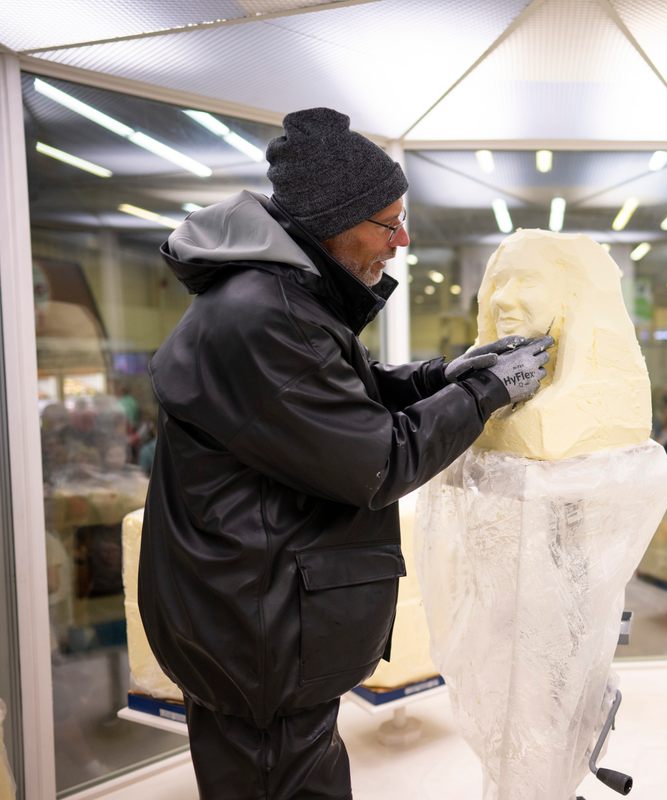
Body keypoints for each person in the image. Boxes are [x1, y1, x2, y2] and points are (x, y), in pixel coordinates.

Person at [139, 107, 553, 799]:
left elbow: (331, 400)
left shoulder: (273, 299)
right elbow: (377, 460)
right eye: (389, 222)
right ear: (335, 222)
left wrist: (443, 375)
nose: (403, 239)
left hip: (247, 612)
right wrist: (483, 394)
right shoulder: (266, 317)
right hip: (258, 629)